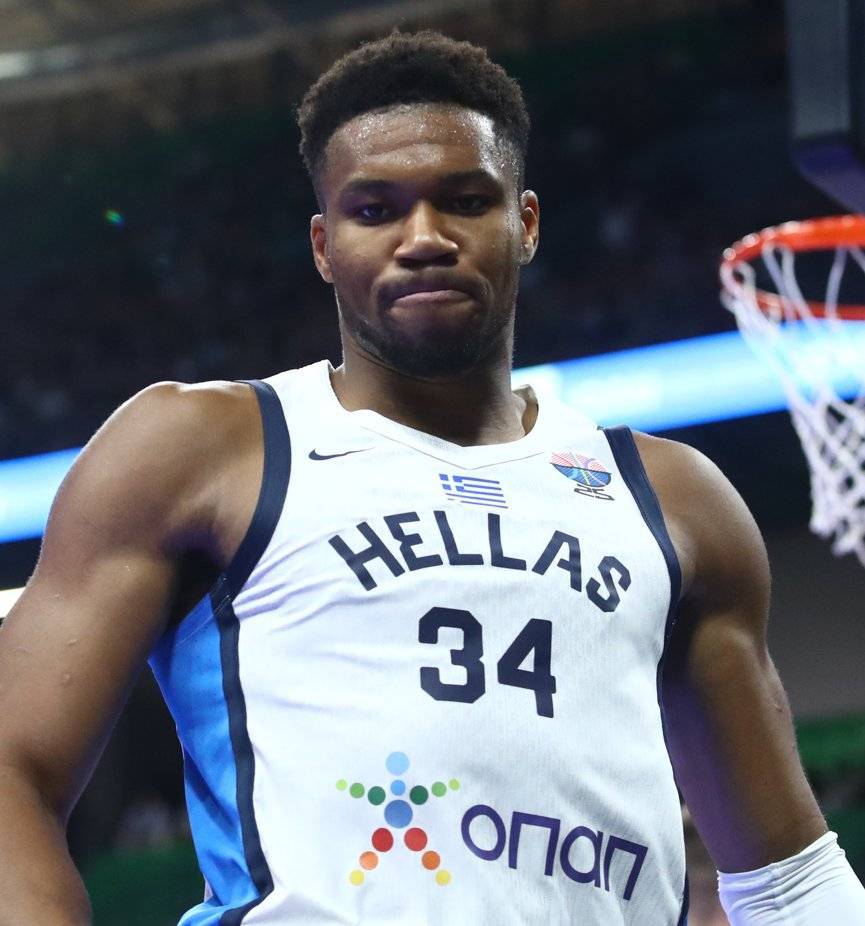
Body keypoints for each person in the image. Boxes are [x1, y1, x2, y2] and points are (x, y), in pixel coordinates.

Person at [0, 29, 863, 926]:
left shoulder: (673, 496)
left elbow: (789, 881)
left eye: (464, 200)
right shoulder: (200, 448)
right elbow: (12, 770)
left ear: (525, 224)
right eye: (374, 209)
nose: (423, 238)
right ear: (324, 244)